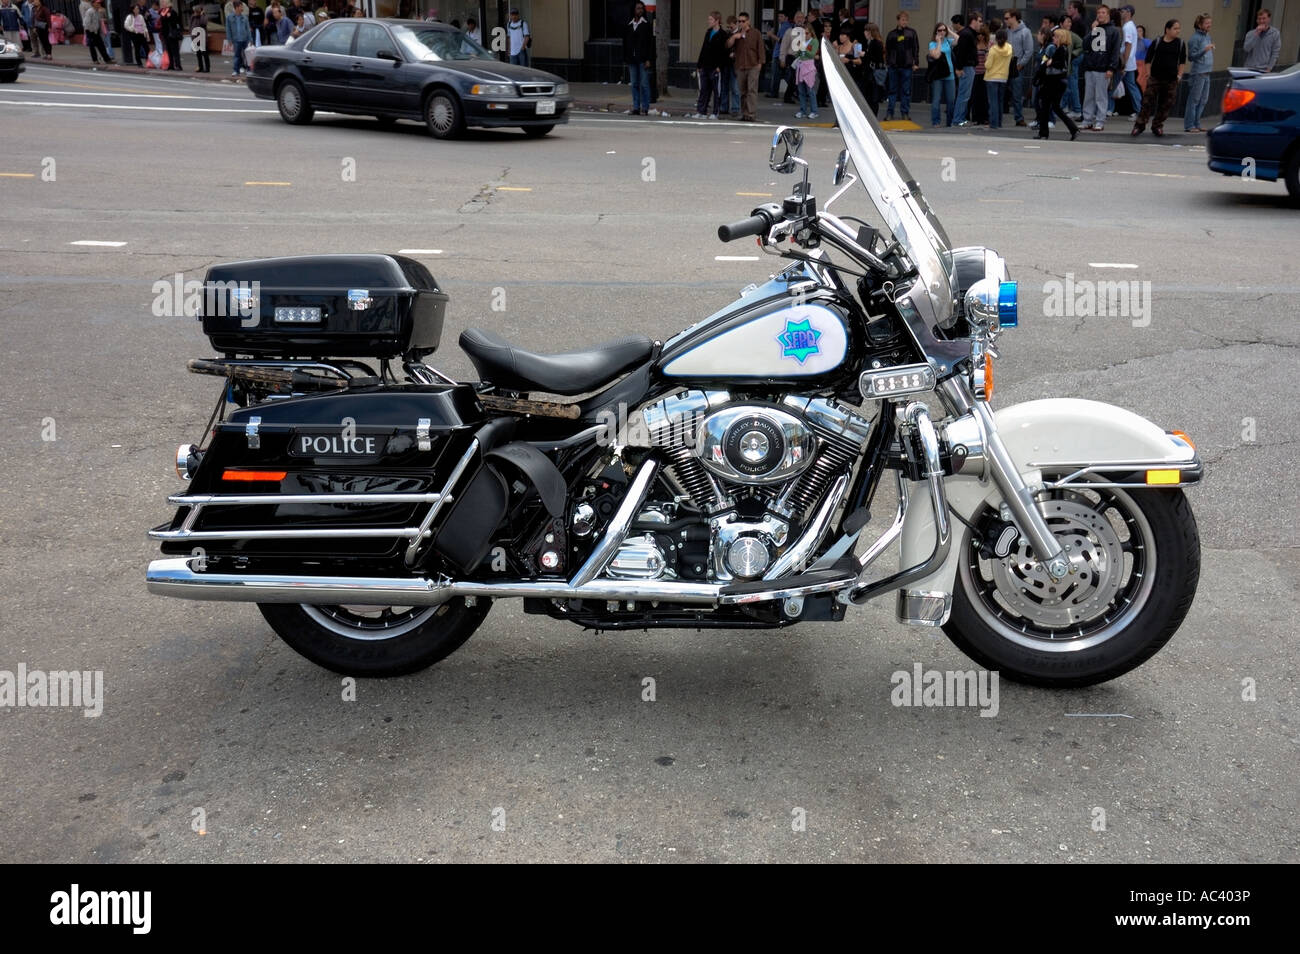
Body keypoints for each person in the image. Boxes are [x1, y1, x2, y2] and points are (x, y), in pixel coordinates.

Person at [1131, 19, 1185, 136]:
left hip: (1171, 79)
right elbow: (1148, 59)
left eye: (1178, 28)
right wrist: (1149, 73)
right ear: (1167, 29)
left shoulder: (1180, 44)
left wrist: (1179, 75)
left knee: (1166, 103)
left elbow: (1182, 62)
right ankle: (1139, 125)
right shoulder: (1157, 42)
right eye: (1175, 28)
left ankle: (1157, 125)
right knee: (1147, 102)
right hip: (1155, 78)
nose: (1178, 31)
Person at [1081, 4, 1121, 131]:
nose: (1100, 15)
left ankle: (1100, 121)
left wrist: (1111, 68)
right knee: (1089, 96)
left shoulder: (1114, 31)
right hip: (1090, 67)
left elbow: (1115, 51)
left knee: (1101, 96)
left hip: (1103, 68)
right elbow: (1085, 44)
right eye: (1098, 13)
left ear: (1108, 15)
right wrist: (1093, 31)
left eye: (1103, 12)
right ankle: (1087, 120)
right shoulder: (1095, 29)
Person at [1034, 27, 1079, 139]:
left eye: (1056, 36)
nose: (1053, 38)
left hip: (1054, 82)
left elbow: (1060, 64)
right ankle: (1073, 129)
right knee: (1055, 107)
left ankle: (1044, 133)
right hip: (1056, 82)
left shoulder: (1061, 49)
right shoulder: (1062, 49)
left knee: (1045, 106)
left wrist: (1051, 62)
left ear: (1061, 38)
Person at [727, 10, 763, 122]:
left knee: (751, 90)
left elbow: (760, 48)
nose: (741, 23)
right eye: (739, 21)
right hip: (740, 66)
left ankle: (751, 113)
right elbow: (728, 45)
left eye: (743, 21)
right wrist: (734, 37)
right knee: (742, 91)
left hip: (753, 65)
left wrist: (760, 63)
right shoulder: (736, 33)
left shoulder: (756, 33)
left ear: (748, 21)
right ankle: (744, 113)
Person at [690, 10, 726, 119]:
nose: (708, 21)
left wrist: (720, 66)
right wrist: (699, 65)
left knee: (716, 90)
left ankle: (715, 112)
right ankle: (701, 111)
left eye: (710, 19)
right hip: (705, 66)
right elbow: (703, 49)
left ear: (717, 21)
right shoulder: (708, 32)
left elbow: (723, 52)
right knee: (703, 90)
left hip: (715, 67)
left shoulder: (722, 34)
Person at [884, 10, 918, 120]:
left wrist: (916, 62)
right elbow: (887, 50)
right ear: (898, 20)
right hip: (893, 66)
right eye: (903, 20)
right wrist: (888, 62)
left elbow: (915, 48)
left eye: (906, 20)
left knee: (906, 91)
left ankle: (905, 112)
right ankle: (890, 112)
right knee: (892, 90)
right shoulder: (892, 34)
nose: (905, 22)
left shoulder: (911, 33)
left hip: (907, 66)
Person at [1109, 5, 1141, 116]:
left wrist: (1123, 65)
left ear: (1128, 13)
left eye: (1122, 11)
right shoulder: (1131, 26)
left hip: (1125, 62)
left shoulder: (1127, 27)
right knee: (1132, 87)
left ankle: (1104, 109)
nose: (1120, 13)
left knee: (1111, 87)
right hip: (1130, 62)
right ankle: (1140, 110)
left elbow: (1127, 45)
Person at [1184, 14, 1213, 132]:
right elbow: (1191, 57)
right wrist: (1204, 50)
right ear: (1200, 25)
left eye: (1210, 23)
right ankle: (1189, 125)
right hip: (1198, 73)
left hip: (1207, 72)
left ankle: (1197, 123)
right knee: (1194, 100)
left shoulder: (1207, 36)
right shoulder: (1194, 38)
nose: (1209, 25)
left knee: (1203, 100)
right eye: (1207, 23)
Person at [952, 12, 981, 126]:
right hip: (966, 67)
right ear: (973, 21)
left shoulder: (969, 34)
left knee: (965, 94)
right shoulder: (967, 34)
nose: (981, 23)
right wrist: (959, 68)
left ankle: (959, 119)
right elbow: (961, 52)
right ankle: (958, 119)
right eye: (979, 21)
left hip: (968, 67)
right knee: (963, 95)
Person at [1004, 9, 1033, 127]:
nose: (1005, 20)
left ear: (1014, 18)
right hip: (1005, 64)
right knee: (1001, 92)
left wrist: (1020, 65)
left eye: (1007, 18)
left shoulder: (1025, 32)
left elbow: (1029, 51)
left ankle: (1019, 117)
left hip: (1017, 65)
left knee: (1017, 93)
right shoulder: (1007, 31)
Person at [623, 2, 652, 117]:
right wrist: (625, 57)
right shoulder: (629, 25)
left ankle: (645, 108)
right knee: (634, 84)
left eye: (642, 9)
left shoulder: (646, 25)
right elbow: (625, 43)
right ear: (633, 10)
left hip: (643, 59)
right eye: (638, 8)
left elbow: (650, 44)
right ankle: (636, 107)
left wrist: (649, 59)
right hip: (631, 60)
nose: (640, 10)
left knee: (644, 84)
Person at [926, 21, 954, 127]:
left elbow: (959, 40)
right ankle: (936, 121)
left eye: (944, 30)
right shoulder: (932, 44)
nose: (942, 32)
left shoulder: (948, 41)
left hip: (949, 73)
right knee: (936, 99)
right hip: (938, 75)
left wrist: (950, 31)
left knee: (951, 100)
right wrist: (938, 42)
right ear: (936, 32)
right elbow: (936, 55)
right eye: (940, 30)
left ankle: (950, 121)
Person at [984, 26, 1011, 129]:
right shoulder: (1009, 48)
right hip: (1003, 77)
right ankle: (999, 122)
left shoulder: (993, 50)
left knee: (993, 101)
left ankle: (993, 123)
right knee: (1000, 101)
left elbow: (988, 65)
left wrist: (986, 58)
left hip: (991, 77)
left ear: (996, 38)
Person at [792, 24, 818, 119]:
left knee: (810, 90)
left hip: (809, 67)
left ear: (811, 33)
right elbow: (798, 54)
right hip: (801, 66)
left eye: (806, 33)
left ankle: (814, 111)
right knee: (801, 91)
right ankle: (802, 110)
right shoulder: (803, 41)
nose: (805, 35)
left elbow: (811, 54)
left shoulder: (814, 41)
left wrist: (803, 47)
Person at [779, 10, 805, 104]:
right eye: (798, 17)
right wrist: (782, 59)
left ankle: (799, 95)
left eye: (801, 17)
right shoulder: (789, 31)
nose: (800, 19)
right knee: (793, 78)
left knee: (801, 78)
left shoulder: (807, 31)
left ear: (804, 19)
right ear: (794, 19)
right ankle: (788, 97)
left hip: (803, 58)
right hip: (792, 57)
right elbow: (783, 46)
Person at [1064, 0, 1085, 115]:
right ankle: (1068, 106)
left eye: (1070, 8)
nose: (1068, 10)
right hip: (1075, 55)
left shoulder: (1077, 23)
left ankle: (1076, 109)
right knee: (1070, 82)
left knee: (1072, 82)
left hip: (1075, 55)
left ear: (1076, 10)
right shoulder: (1077, 22)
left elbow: (1075, 42)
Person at [1242, 8, 1279, 72]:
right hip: (1249, 68)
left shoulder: (1275, 33)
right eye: (1259, 18)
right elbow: (1246, 49)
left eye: (1264, 18)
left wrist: (1269, 69)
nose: (1261, 21)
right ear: (1257, 20)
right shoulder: (1250, 33)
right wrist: (1256, 34)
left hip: (1264, 69)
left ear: (1269, 19)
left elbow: (1275, 53)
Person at [765, 11, 789, 98]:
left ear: (786, 18)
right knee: (784, 74)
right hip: (780, 53)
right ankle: (792, 90)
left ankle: (774, 93)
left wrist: (771, 35)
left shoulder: (785, 26)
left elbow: (782, 40)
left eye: (781, 16)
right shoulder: (783, 26)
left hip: (779, 54)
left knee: (776, 75)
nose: (779, 18)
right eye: (779, 16)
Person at [863, 22, 885, 115]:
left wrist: (865, 54)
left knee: (872, 97)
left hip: (873, 73)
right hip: (872, 72)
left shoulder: (875, 43)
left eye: (866, 31)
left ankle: (872, 116)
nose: (864, 33)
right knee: (871, 97)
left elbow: (875, 58)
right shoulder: (872, 42)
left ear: (870, 32)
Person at [226, 0, 249, 74]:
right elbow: (228, 29)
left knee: (247, 55)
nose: (242, 8)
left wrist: (250, 39)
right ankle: (236, 70)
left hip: (245, 39)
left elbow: (248, 29)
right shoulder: (229, 17)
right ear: (236, 7)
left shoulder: (245, 17)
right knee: (237, 56)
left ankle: (249, 69)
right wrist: (229, 39)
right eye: (241, 6)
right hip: (236, 39)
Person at [158, 0, 182, 66]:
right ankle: (171, 65)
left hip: (172, 34)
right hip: (165, 34)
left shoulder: (172, 12)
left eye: (166, 2)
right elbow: (162, 23)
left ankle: (178, 65)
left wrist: (170, 17)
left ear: (170, 4)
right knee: (168, 50)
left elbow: (176, 22)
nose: (163, 3)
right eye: (163, 2)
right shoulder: (162, 12)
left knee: (175, 50)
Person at [189, 4, 208, 69]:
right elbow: (191, 26)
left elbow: (203, 23)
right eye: (194, 11)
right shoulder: (193, 17)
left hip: (202, 37)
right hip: (195, 37)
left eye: (196, 11)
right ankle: (200, 67)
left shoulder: (203, 16)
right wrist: (191, 35)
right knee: (198, 54)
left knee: (204, 53)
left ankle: (207, 68)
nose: (195, 13)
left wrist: (202, 15)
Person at [1134, 25, 1151, 90]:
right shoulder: (1133, 41)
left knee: (1141, 82)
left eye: (1140, 31)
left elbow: (1150, 48)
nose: (1138, 32)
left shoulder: (1146, 40)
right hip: (1133, 64)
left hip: (1142, 64)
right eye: (1137, 31)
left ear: (1143, 32)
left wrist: (1142, 38)